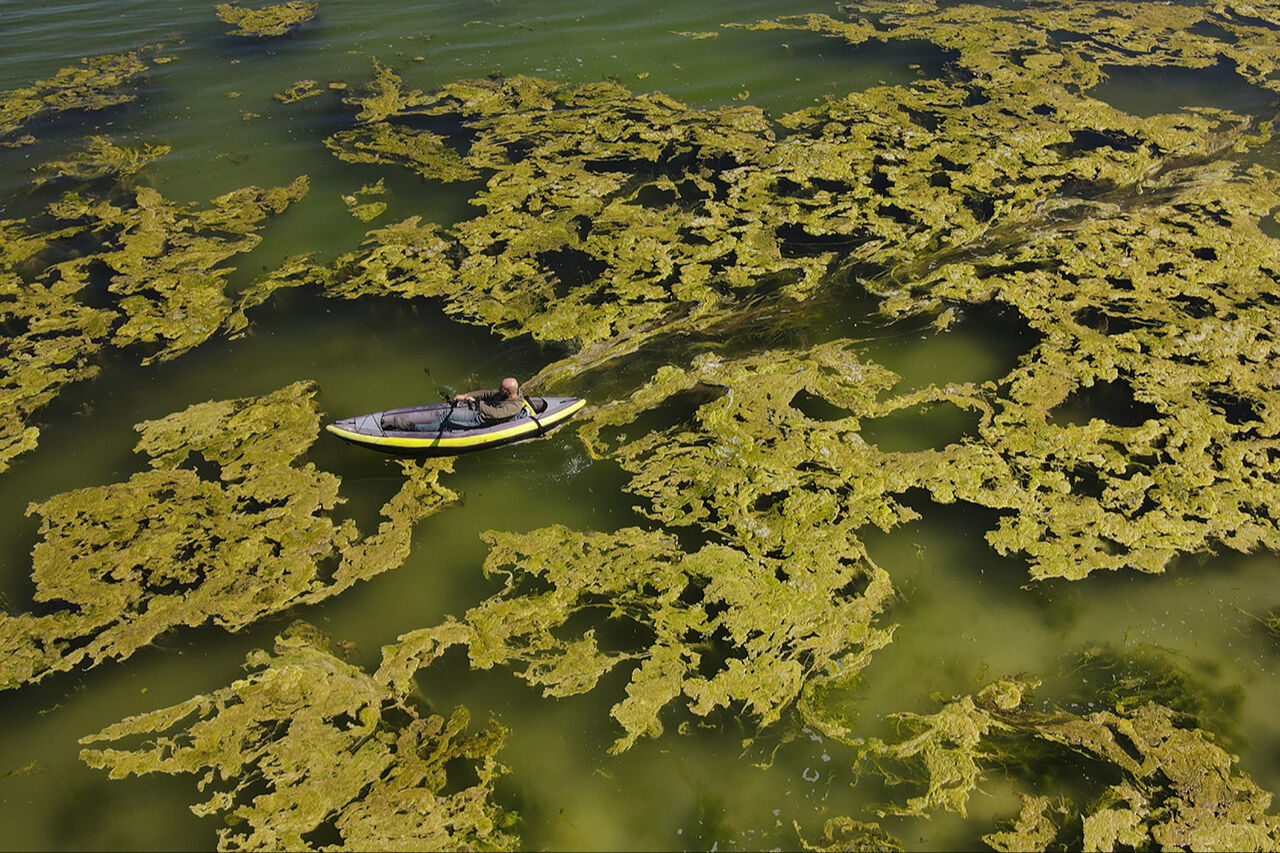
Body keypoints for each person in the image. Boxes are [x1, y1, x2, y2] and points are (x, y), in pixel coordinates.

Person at [386, 377, 525, 432]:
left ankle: (415, 429)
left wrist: (477, 404)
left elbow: (496, 414)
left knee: (447, 415)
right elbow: (486, 393)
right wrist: (465, 395)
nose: (499, 390)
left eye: (501, 388)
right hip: (481, 411)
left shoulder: (514, 407)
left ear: (509, 392)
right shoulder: (504, 393)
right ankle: (427, 427)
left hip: (482, 419)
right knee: (445, 419)